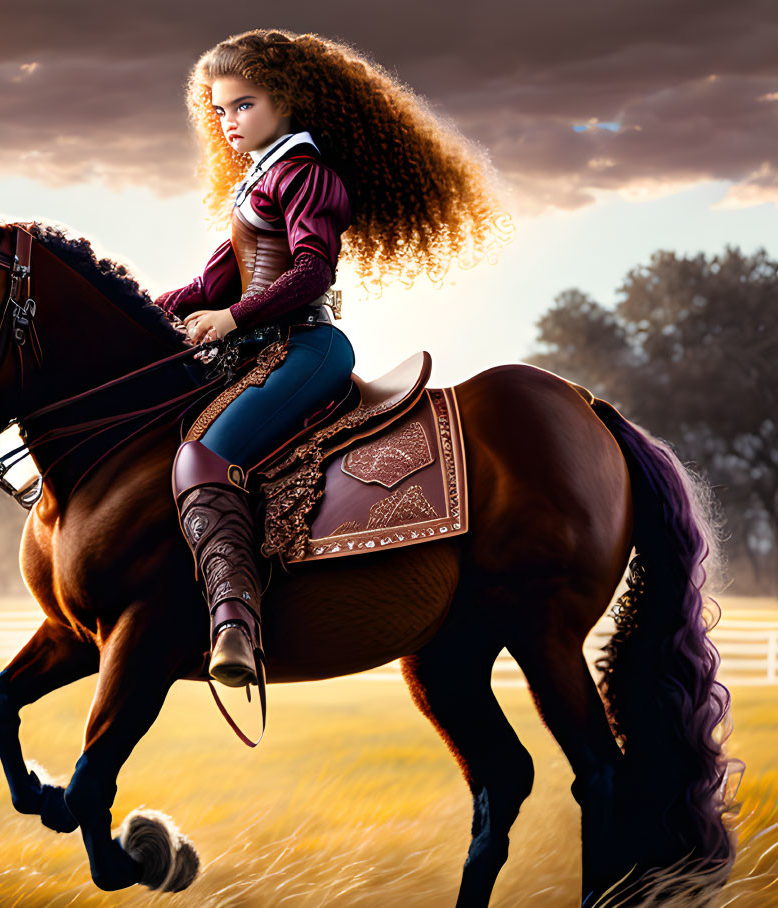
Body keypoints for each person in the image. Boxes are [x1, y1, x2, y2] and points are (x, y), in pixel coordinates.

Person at [155, 29, 511, 690]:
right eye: (219, 110)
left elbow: (311, 274)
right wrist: (131, 316)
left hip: (305, 349)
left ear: (286, 101)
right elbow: (206, 289)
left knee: (205, 455)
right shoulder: (256, 183)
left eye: (243, 105)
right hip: (259, 349)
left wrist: (232, 318)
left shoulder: (307, 176)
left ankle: (235, 624)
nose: (228, 122)